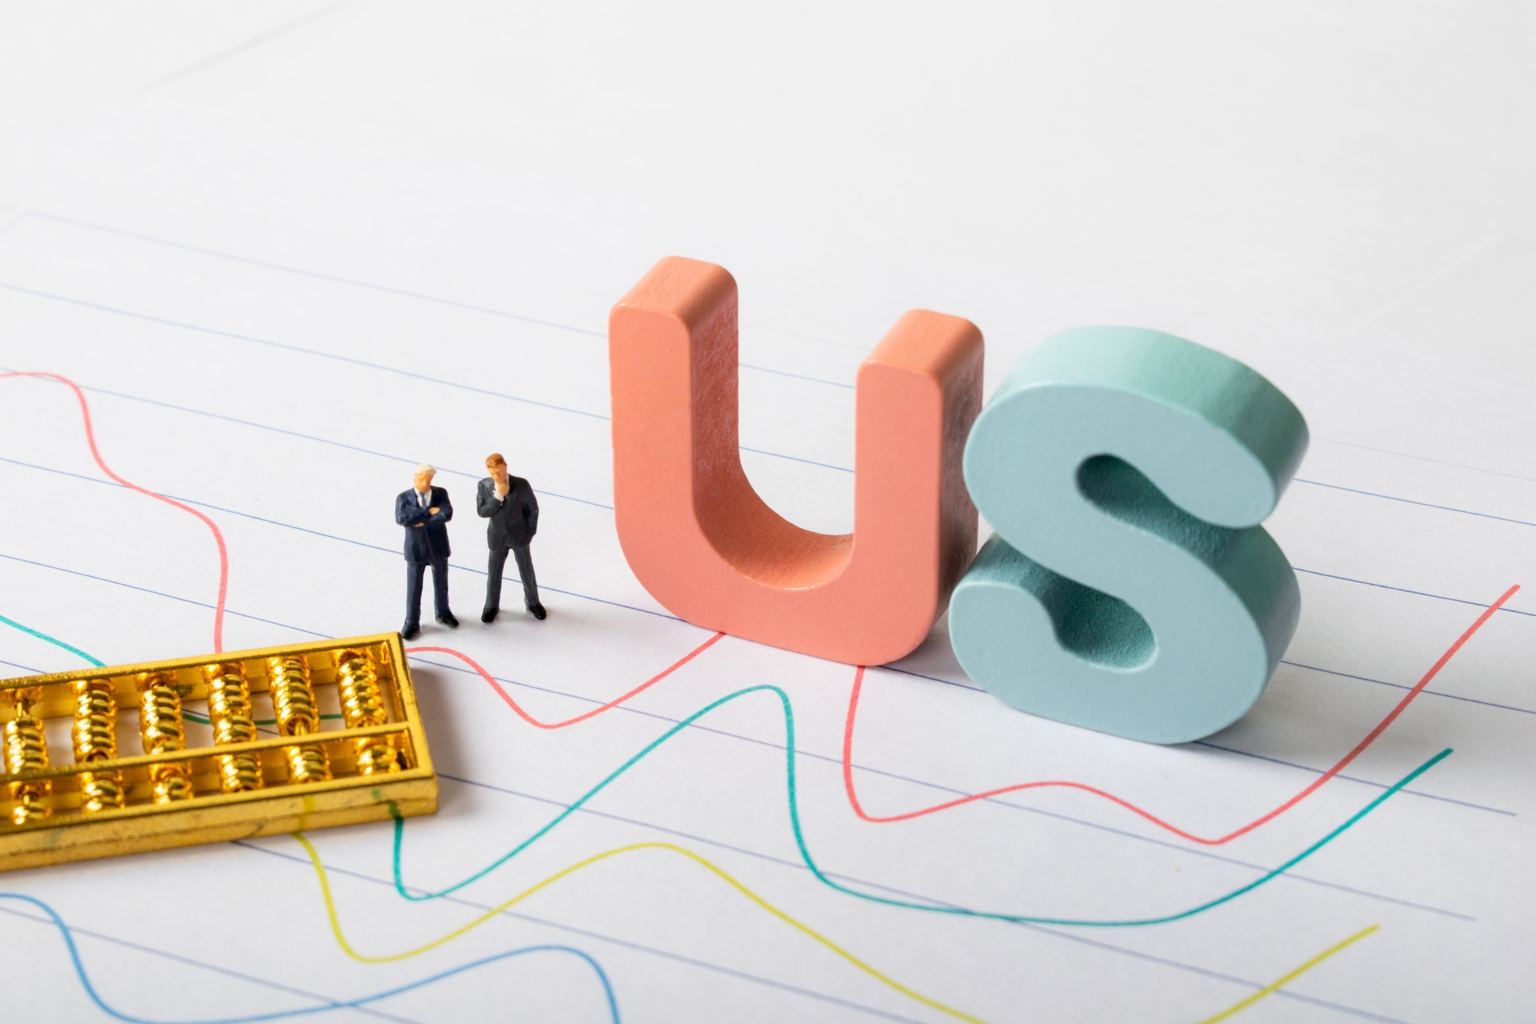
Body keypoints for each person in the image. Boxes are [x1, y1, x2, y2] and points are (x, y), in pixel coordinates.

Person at [476, 452, 545, 622]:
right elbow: (482, 511)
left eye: (499, 471)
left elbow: (533, 510)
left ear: (505, 466)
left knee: (527, 571)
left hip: (520, 536)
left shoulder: (521, 484)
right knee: (494, 573)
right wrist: (498, 496)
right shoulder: (484, 485)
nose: (496, 476)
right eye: (492, 473)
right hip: (497, 538)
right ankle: (491, 606)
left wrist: (529, 532)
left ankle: (533, 603)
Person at [395, 463, 457, 640]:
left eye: (429, 480)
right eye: (423, 480)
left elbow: (446, 514)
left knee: (441, 583)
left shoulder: (441, 493)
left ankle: (443, 613)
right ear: (415, 477)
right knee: (414, 588)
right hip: (416, 549)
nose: (426, 483)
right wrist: (428, 511)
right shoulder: (403, 498)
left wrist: (419, 519)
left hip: (438, 546)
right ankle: (411, 622)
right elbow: (402, 519)